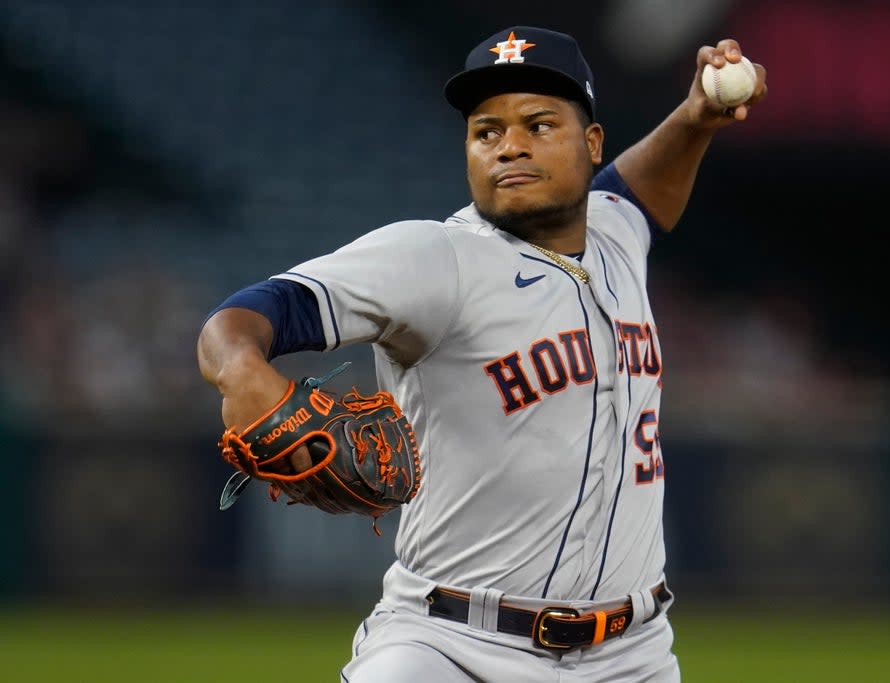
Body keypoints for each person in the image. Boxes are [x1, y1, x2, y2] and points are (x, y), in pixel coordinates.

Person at [197, 25, 766, 683]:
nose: (510, 145)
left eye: (539, 123)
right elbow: (247, 314)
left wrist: (696, 119)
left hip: (631, 654)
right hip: (450, 645)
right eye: (486, 131)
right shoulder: (436, 258)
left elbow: (640, 190)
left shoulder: (614, 232)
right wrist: (241, 369)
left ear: (591, 144)